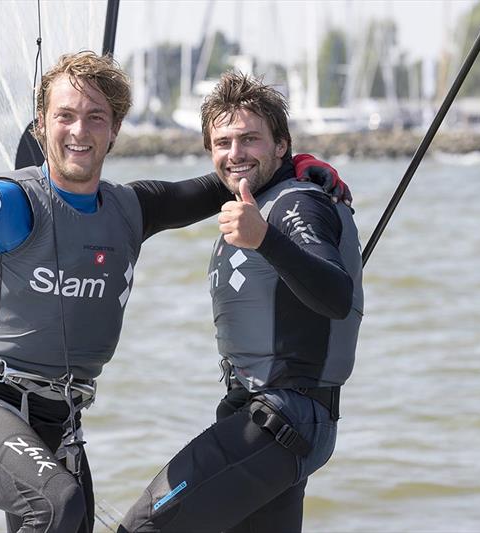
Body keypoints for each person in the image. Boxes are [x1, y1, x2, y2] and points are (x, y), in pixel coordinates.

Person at [0, 52, 349, 533]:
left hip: (61, 422)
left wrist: (297, 166)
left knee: (68, 511)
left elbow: (231, 177)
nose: (80, 130)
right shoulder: (10, 202)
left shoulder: (130, 209)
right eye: (65, 116)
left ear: (114, 129)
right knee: (59, 506)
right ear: (42, 125)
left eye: (95, 117)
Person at [118, 72, 363, 533]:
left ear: (281, 145)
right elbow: (166, 198)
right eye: (223, 142)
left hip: (282, 422)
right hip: (273, 422)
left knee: (143, 527)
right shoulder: (260, 193)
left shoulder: (296, 206)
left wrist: (264, 239)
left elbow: (336, 295)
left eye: (250, 139)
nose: (235, 153)